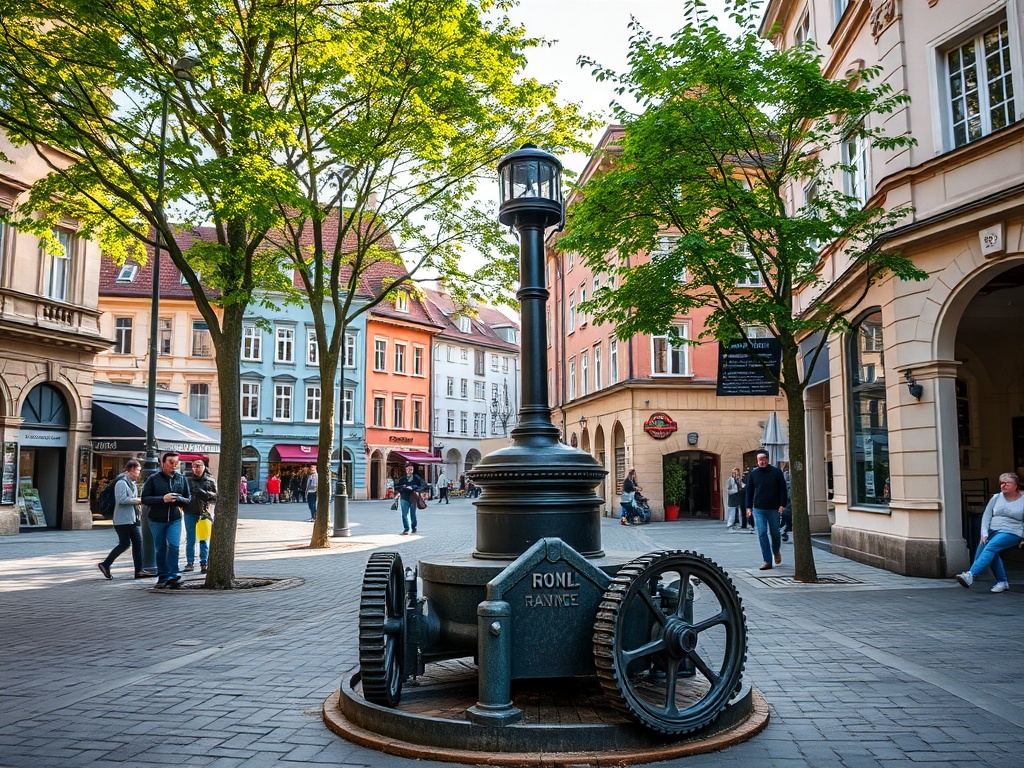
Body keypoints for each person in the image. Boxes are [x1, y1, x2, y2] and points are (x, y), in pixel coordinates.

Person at [956, 472, 1024, 592]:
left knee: (991, 547)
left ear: (1016, 485)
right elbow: (986, 516)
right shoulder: (996, 497)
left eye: (1007, 483)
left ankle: (970, 575)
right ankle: (1002, 581)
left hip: (1013, 531)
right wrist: (984, 533)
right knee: (991, 553)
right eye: (1002, 483)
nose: (1004, 485)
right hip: (992, 531)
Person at [141, 451, 191, 588]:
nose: (174, 465)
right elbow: (144, 498)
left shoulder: (181, 478)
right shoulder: (153, 478)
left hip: (174, 518)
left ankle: (173, 575)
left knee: (174, 546)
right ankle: (163, 576)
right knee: (160, 548)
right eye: (171, 462)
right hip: (156, 519)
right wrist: (163, 499)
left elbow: (188, 498)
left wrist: (178, 499)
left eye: (177, 462)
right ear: (163, 463)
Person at [97, 459, 152, 579]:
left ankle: (137, 570)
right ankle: (107, 564)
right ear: (132, 469)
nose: (139, 473)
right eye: (138, 470)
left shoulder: (131, 483)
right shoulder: (121, 482)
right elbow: (121, 500)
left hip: (131, 519)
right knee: (129, 543)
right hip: (123, 519)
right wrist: (139, 501)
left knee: (130, 543)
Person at [745, 449, 788, 570]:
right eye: (759, 460)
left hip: (773, 508)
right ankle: (767, 560)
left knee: (775, 532)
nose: (761, 462)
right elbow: (749, 491)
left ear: (767, 460)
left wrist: (782, 504)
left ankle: (776, 551)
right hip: (758, 508)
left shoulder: (776, 472)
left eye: (763, 460)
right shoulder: (753, 474)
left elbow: (783, 489)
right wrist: (748, 507)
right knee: (762, 532)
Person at [183, 459, 217, 574]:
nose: (196, 469)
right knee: (191, 539)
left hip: (204, 513)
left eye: (198, 466)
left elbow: (216, 496)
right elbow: (182, 494)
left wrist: (204, 493)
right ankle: (190, 563)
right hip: (190, 512)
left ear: (203, 467)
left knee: (203, 539)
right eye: (193, 467)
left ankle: (204, 563)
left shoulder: (210, 480)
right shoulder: (187, 480)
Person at [395, 463, 427, 535]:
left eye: (411, 469)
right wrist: (404, 487)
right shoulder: (402, 478)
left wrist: (414, 487)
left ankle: (413, 527)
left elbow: (423, 485)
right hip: (404, 498)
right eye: (408, 469)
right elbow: (397, 486)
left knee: (413, 514)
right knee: (404, 514)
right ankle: (406, 529)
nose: (410, 471)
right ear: (406, 470)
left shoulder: (416, 477)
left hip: (413, 498)